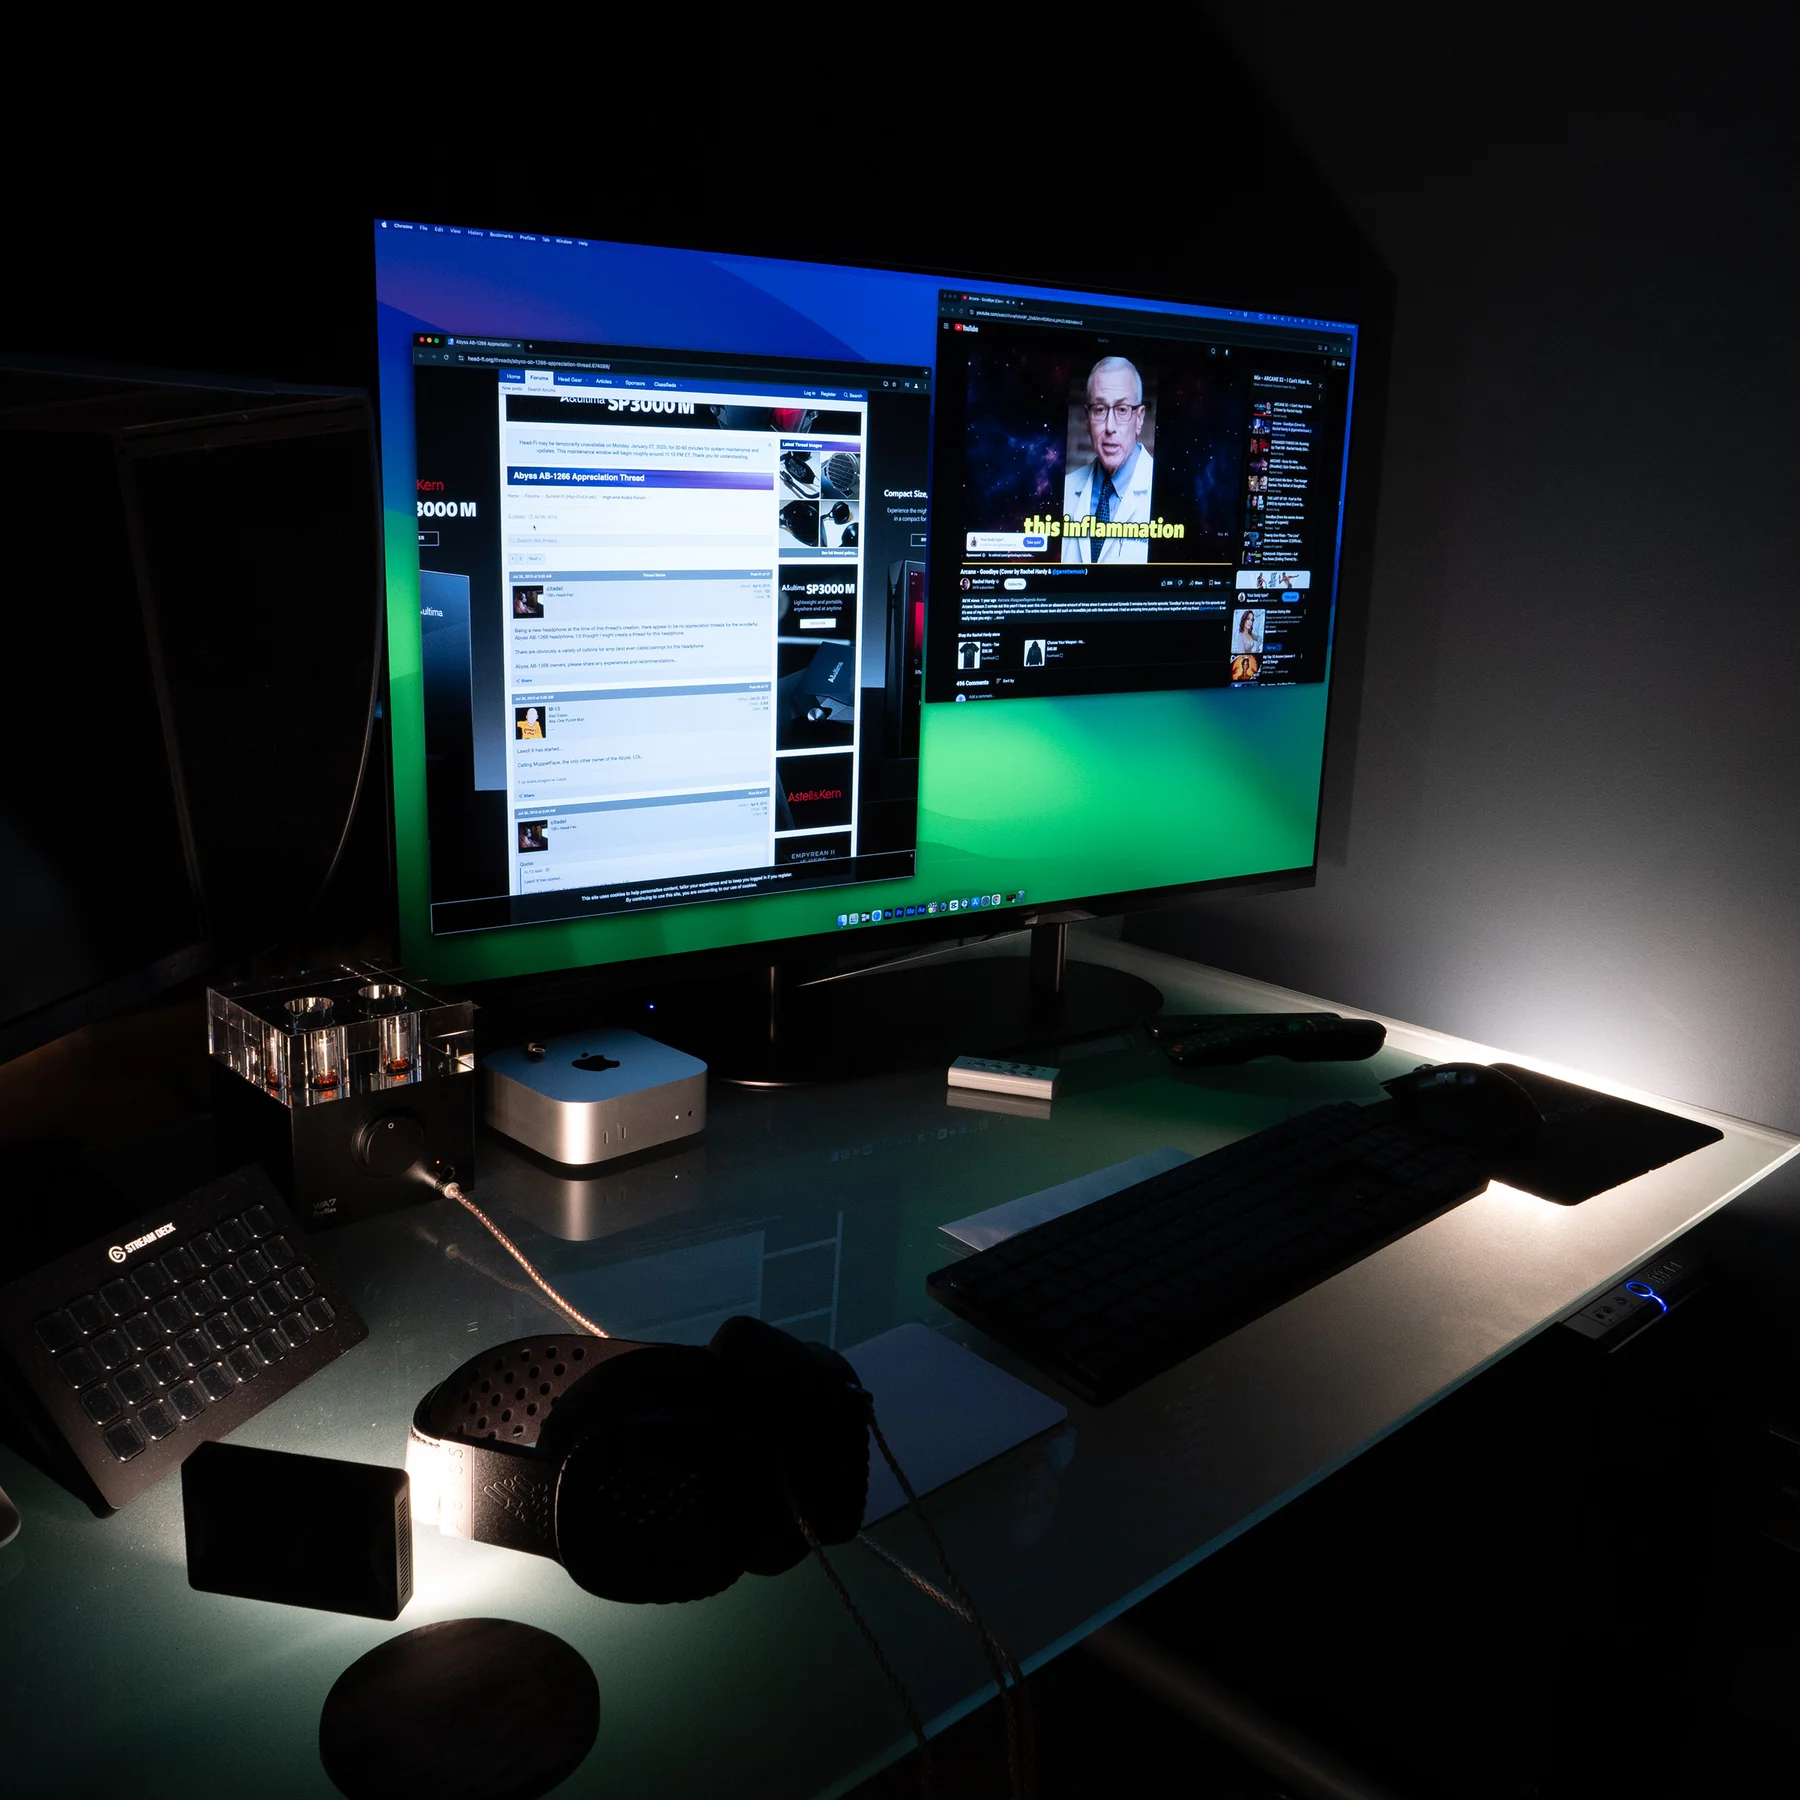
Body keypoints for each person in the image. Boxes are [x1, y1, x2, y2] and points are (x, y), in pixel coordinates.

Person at [1062, 356, 1155, 564]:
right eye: (1100, 409)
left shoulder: (1170, 495)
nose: (1110, 426)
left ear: (1139, 418)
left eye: (1122, 410)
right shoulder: (1065, 488)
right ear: (1087, 419)